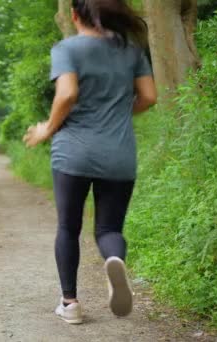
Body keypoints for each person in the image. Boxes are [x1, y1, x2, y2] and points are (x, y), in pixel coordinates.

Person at [23, 0, 157, 324]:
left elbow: (66, 94)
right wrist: (119, 114)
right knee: (109, 228)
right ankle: (114, 259)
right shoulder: (132, 50)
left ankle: (70, 304)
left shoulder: (67, 48)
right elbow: (149, 97)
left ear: (73, 15)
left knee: (69, 227)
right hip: (119, 154)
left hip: (73, 153)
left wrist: (47, 129)